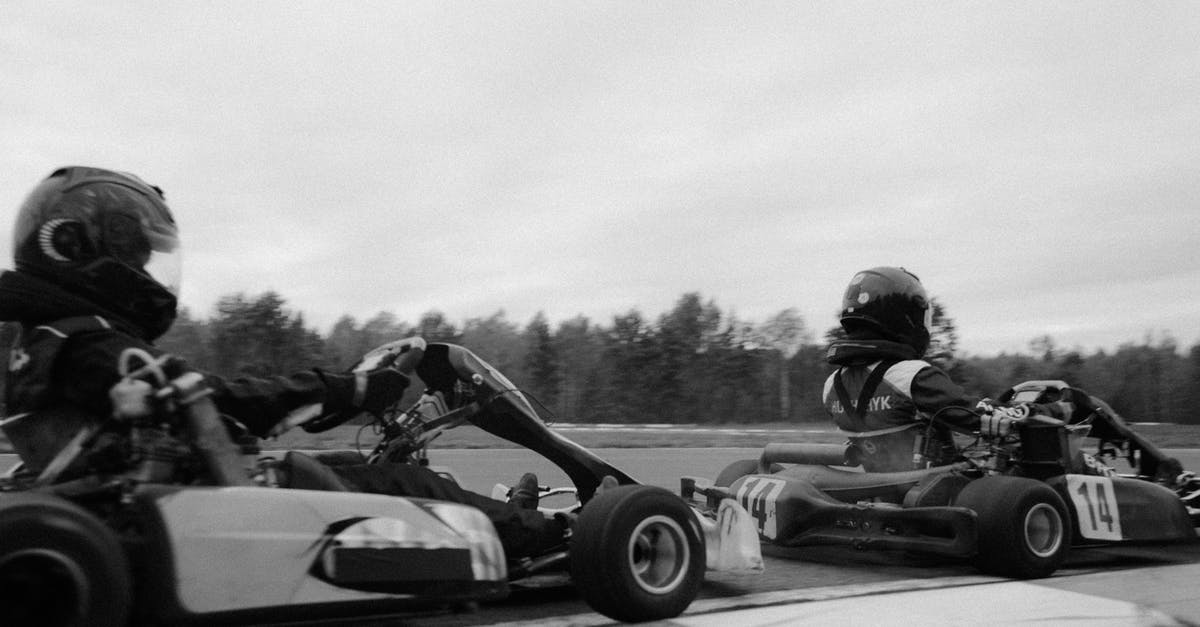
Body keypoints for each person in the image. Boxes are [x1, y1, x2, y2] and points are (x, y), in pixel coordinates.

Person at [0, 166, 565, 558]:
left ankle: (513, 523)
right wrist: (350, 390)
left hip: (173, 483)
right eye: (133, 259)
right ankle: (557, 533)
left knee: (356, 460)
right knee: (409, 482)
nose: (145, 276)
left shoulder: (45, 341)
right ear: (73, 248)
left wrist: (343, 392)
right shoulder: (95, 346)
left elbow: (186, 410)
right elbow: (218, 400)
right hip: (207, 505)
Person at [821, 266, 1077, 473]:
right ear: (906, 318)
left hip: (878, 490)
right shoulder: (911, 376)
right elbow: (973, 416)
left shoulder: (831, 385)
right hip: (933, 493)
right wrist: (1050, 409)